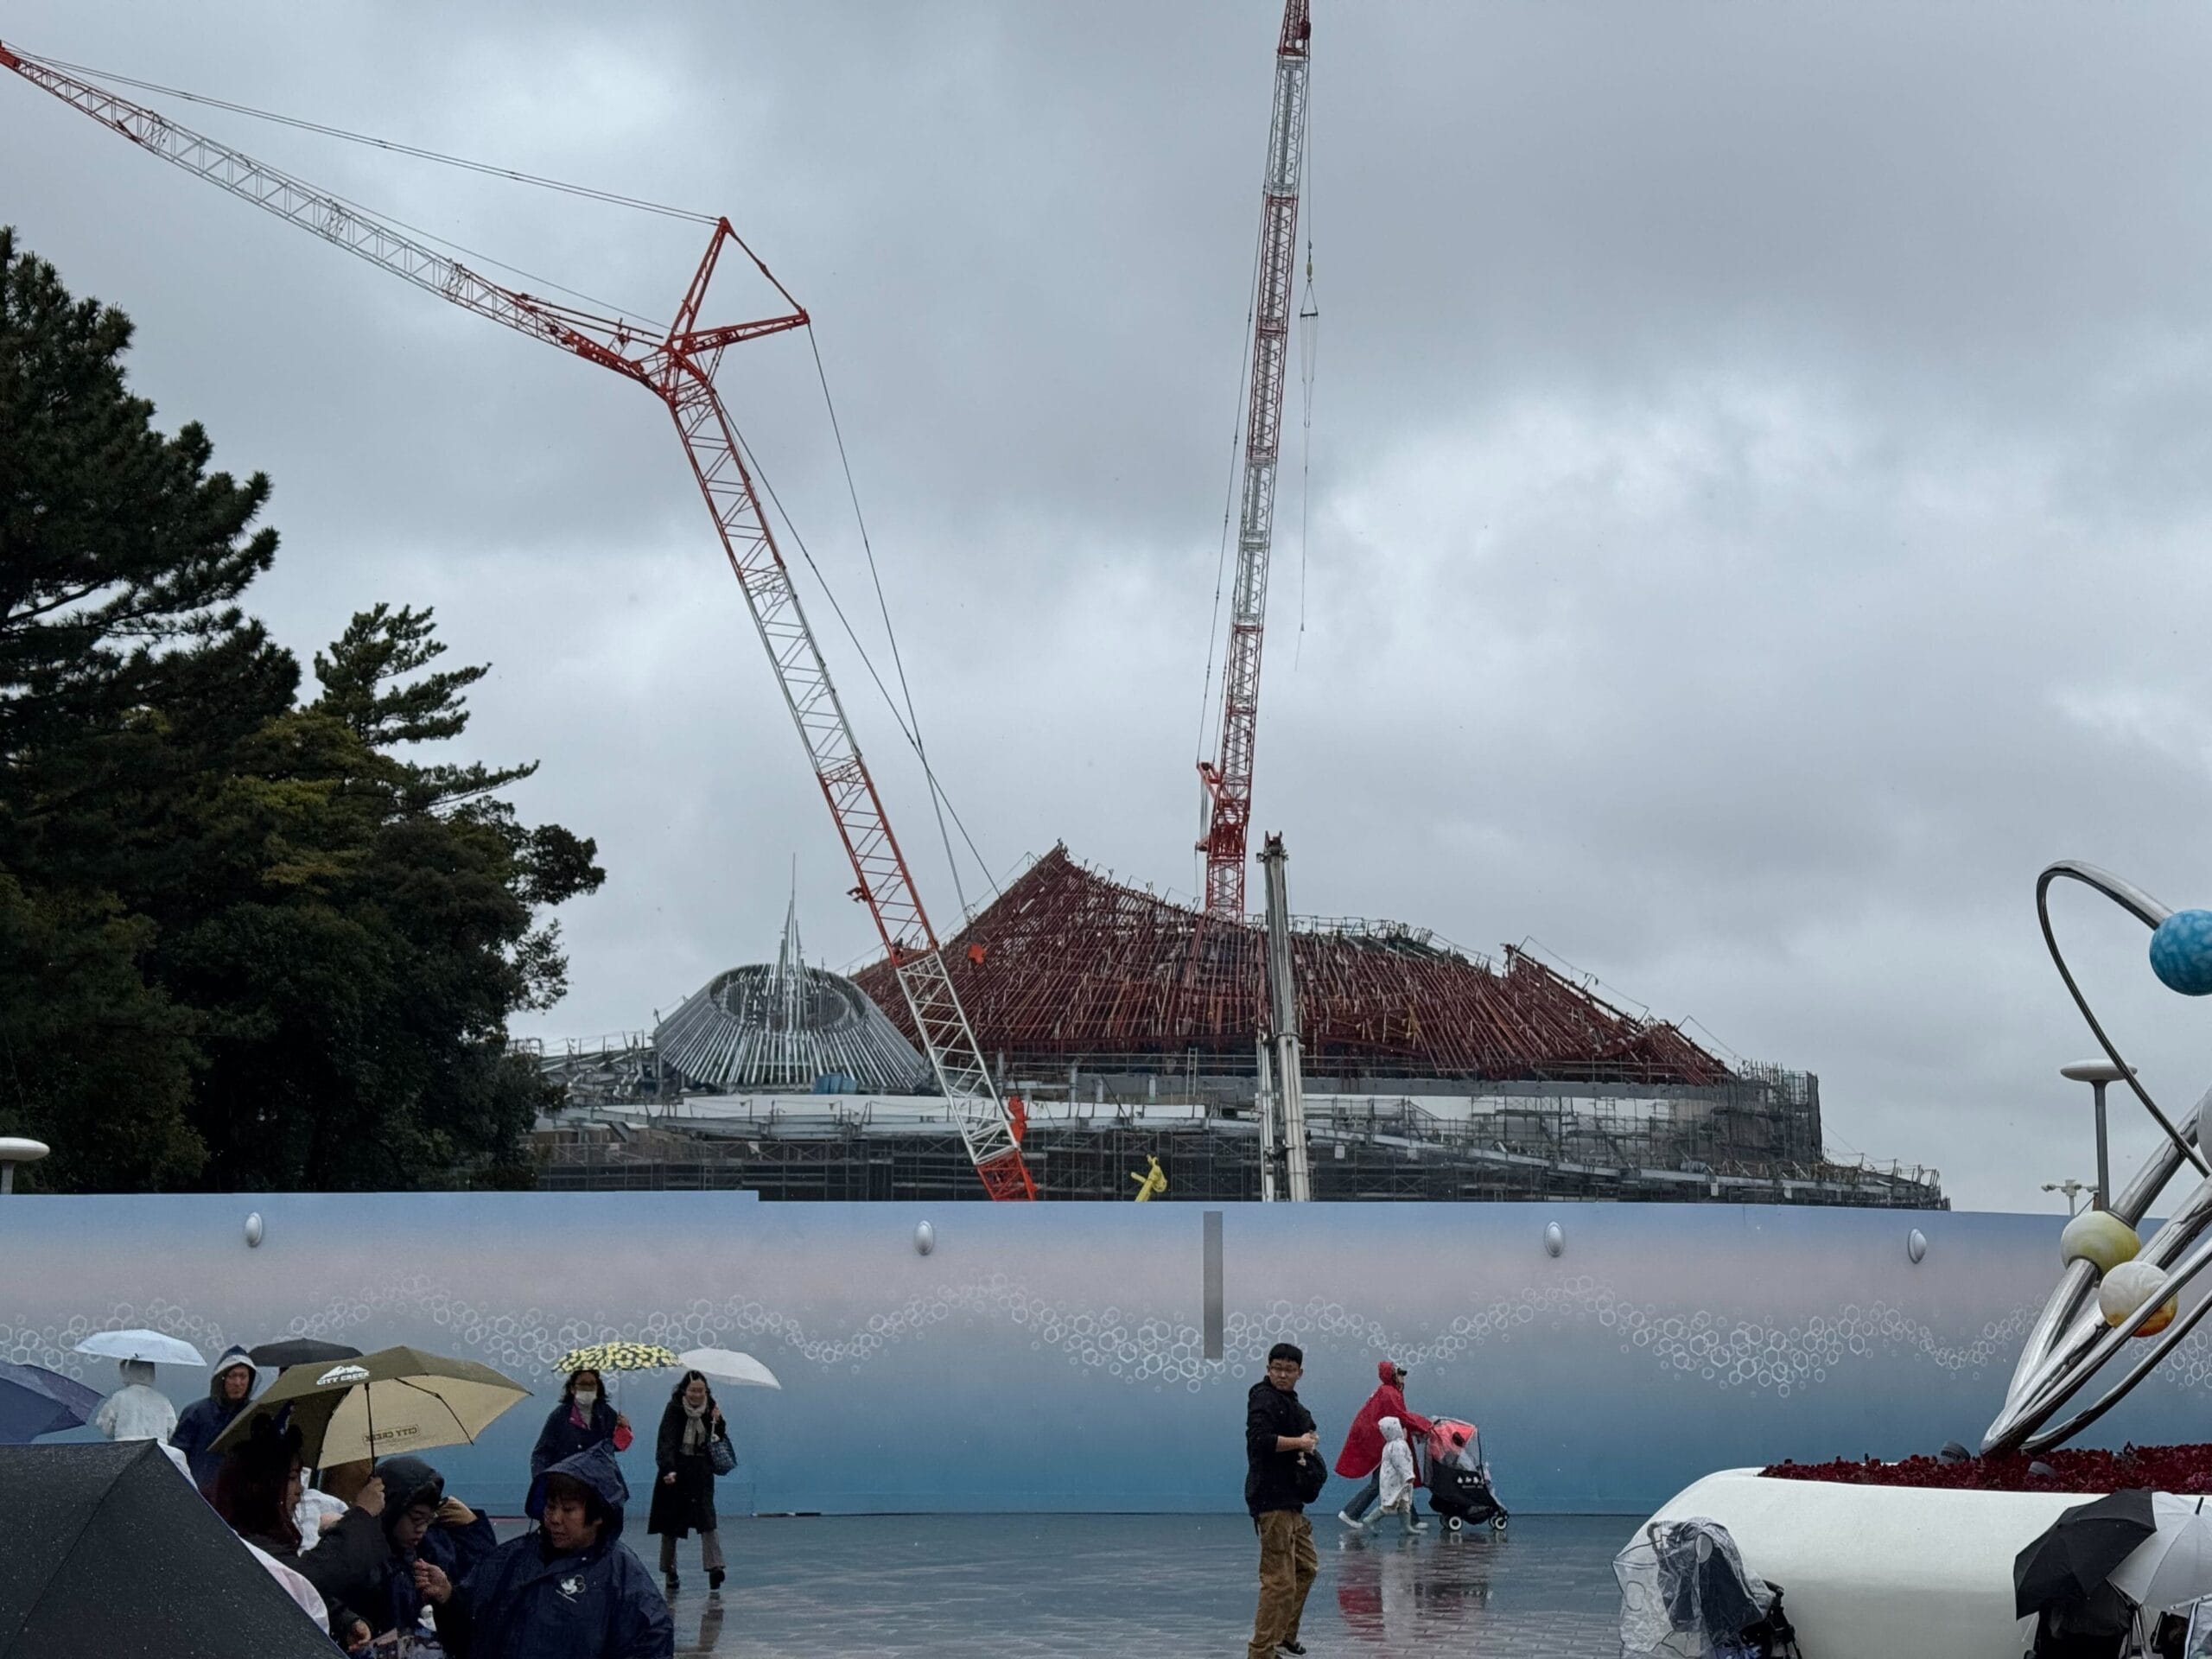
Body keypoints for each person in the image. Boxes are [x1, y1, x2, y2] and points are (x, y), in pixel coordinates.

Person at [416, 1441, 675, 1659]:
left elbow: (652, 1640)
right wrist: (448, 1597)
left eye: (569, 1509)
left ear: (599, 1516)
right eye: (551, 1506)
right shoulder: (512, 1559)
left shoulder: (622, 1575)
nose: (554, 1518)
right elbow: (472, 1627)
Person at [212, 1415, 391, 1655]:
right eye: (292, 1478)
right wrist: (362, 1514)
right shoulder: (246, 1547)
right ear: (263, 1485)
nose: (299, 1490)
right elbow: (303, 1581)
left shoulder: (260, 1536)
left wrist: (344, 1619)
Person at [365, 1453, 499, 1642]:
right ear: (390, 1511)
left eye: (429, 1520)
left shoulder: (430, 1552)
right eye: (416, 1519)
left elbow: (484, 1581)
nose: (421, 1529)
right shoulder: (359, 1559)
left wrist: (448, 1597)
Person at [1246, 1341, 1324, 1659]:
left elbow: (1310, 1427)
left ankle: (1284, 1635)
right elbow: (1261, 1441)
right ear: (1267, 1368)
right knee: (1278, 1581)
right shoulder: (1262, 1398)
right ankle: (1262, 1651)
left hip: (1292, 1502)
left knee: (1306, 1567)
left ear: (1299, 1373)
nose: (1281, 1374)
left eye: (1288, 1370)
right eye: (1276, 1368)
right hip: (1271, 1500)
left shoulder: (1291, 1401)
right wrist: (1300, 1444)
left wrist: (1308, 1438)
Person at [648, 1370, 733, 1595]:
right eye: (693, 1390)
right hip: (676, 1473)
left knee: (707, 1521)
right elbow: (665, 1440)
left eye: (701, 1390)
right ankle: (670, 1571)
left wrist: (719, 1422)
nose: (697, 1394)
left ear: (706, 1391)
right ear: (684, 1390)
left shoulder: (711, 1408)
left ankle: (715, 1567)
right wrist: (667, 1468)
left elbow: (718, 1439)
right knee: (670, 1526)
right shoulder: (674, 1409)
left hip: (701, 1472)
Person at [1334, 1359, 1433, 1529]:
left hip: (1385, 1443)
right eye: (1400, 1373)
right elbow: (1401, 1416)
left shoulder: (1388, 1391)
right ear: (1392, 1374)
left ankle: (1413, 1520)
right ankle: (1351, 1513)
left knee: (1400, 1480)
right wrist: (1424, 1425)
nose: (1404, 1377)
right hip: (1387, 1445)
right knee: (1382, 1483)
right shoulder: (1389, 1393)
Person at [171, 1344, 257, 1491]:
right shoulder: (196, 1413)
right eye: (232, 1376)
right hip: (201, 1494)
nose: (238, 1383)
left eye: (243, 1376)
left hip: (241, 1497)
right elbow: (176, 1456)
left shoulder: (254, 1414)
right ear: (222, 1378)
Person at [531, 1367, 633, 1481]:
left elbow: (616, 1446)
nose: (588, 1389)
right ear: (572, 1388)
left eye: (592, 1384)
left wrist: (624, 1428)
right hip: (567, 1482)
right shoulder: (559, 1415)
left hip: (600, 1483)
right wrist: (542, 1482)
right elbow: (542, 1453)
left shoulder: (606, 1413)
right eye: (583, 1384)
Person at [90, 1357, 177, 1443]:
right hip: (156, 1450)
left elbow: (106, 1428)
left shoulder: (119, 1397)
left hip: (127, 1449)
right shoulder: (163, 1401)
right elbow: (173, 1431)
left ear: (129, 1372)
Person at [1370, 1417, 1426, 1533]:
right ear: (1398, 1430)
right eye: (1404, 1429)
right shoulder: (1398, 1445)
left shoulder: (1390, 1445)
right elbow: (1400, 1463)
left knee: (1404, 1503)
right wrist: (1408, 1475)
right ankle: (1370, 1520)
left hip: (1399, 1481)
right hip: (1397, 1481)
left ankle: (1406, 1527)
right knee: (1390, 1504)